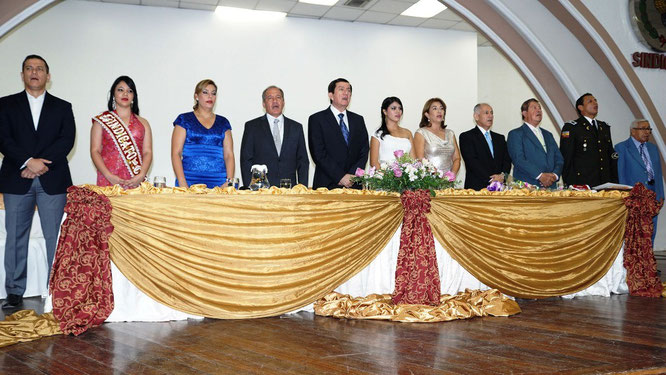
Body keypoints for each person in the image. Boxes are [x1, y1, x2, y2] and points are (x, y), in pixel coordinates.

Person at [0, 55, 76, 309]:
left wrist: (39, 165)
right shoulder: (5, 105)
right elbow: (3, 139)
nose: (34, 72)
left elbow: (66, 140)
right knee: (15, 238)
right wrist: (27, 162)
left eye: (40, 69)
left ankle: (55, 290)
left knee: (56, 238)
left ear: (48, 76)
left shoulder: (63, 107)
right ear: (22, 74)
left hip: (52, 181)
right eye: (29, 68)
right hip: (16, 179)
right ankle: (14, 291)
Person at [90, 76, 153, 189]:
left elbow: (147, 152)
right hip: (108, 179)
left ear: (134, 96)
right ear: (113, 93)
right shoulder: (102, 121)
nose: (125, 94)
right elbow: (95, 151)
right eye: (120, 90)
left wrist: (141, 175)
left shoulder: (143, 123)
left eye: (129, 91)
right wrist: (109, 176)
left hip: (136, 179)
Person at [240, 85, 309, 187]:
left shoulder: (296, 127)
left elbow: (302, 161)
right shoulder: (252, 127)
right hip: (261, 190)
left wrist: (302, 188)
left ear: (283, 102)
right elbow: (246, 160)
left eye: (278, 97)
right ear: (264, 103)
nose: (275, 101)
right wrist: (250, 188)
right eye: (270, 98)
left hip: (289, 189)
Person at [171, 79, 235, 188]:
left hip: (219, 183)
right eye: (205, 92)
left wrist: (229, 182)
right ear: (196, 96)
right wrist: (182, 183)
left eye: (213, 93)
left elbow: (229, 155)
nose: (210, 96)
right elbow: (176, 153)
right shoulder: (184, 119)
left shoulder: (223, 122)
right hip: (189, 181)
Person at [308, 78, 369, 189]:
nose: (346, 93)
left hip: (354, 185)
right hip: (327, 185)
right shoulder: (317, 119)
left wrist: (352, 177)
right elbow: (318, 154)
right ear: (331, 95)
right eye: (341, 89)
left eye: (349, 90)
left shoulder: (358, 120)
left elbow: (364, 151)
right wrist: (340, 176)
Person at [615, 119, 663, 243]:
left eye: (649, 129)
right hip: (634, 196)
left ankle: (648, 260)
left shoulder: (653, 148)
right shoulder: (621, 147)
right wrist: (625, 196)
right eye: (643, 129)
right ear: (633, 131)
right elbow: (621, 173)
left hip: (653, 195)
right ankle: (636, 261)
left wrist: (661, 195)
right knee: (635, 232)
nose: (647, 132)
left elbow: (658, 173)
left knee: (651, 230)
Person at [560, 93, 618, 187]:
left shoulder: (604, 127)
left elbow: (610, 156)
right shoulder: (572, 127)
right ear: (581, 107)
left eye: (595, 100)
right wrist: (571, 184)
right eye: (590, 101)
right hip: (583, 183)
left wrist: (614, 181)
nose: (595, 103)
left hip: (604, 182)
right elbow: (567, 157)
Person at [507, 98, 563, 188]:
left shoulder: (548, 135)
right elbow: (519, 160)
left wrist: (554, 175)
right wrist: (540, 176)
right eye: (534, 108)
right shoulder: (516, 134)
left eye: (540, 108)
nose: (539, 110)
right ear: (524, 113)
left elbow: (559, 159)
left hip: (551, 187)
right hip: (528, 187)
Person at [459, 103, 512, 190]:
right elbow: (472, 162)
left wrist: (502, 176)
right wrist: (492, 179)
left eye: (491, 113)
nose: (490, 116)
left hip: (500, 189)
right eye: (486, 113)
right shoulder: (467, 137)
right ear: (476, 116)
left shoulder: (500, 138)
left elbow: (507, 160)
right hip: (477, 188)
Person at [413, 98, 460, 176]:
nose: (439, 111)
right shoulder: (421, 133)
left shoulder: (450, 133)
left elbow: (457, 158)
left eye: (441, 108)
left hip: (448, 182)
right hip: (429, 181)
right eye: (435, 108)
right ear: (427, 114)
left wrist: (452, 175)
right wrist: (437, 175)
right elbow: (419, 159)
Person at [369, 96, 414, 169]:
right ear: (385, 111)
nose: (398, 111)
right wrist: (387, 178)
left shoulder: (408, 133)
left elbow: (413, 160)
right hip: (385, 177)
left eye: (400, 108)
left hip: (406, 178)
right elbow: (373, 162)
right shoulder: (377, 133)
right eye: (393, 108)